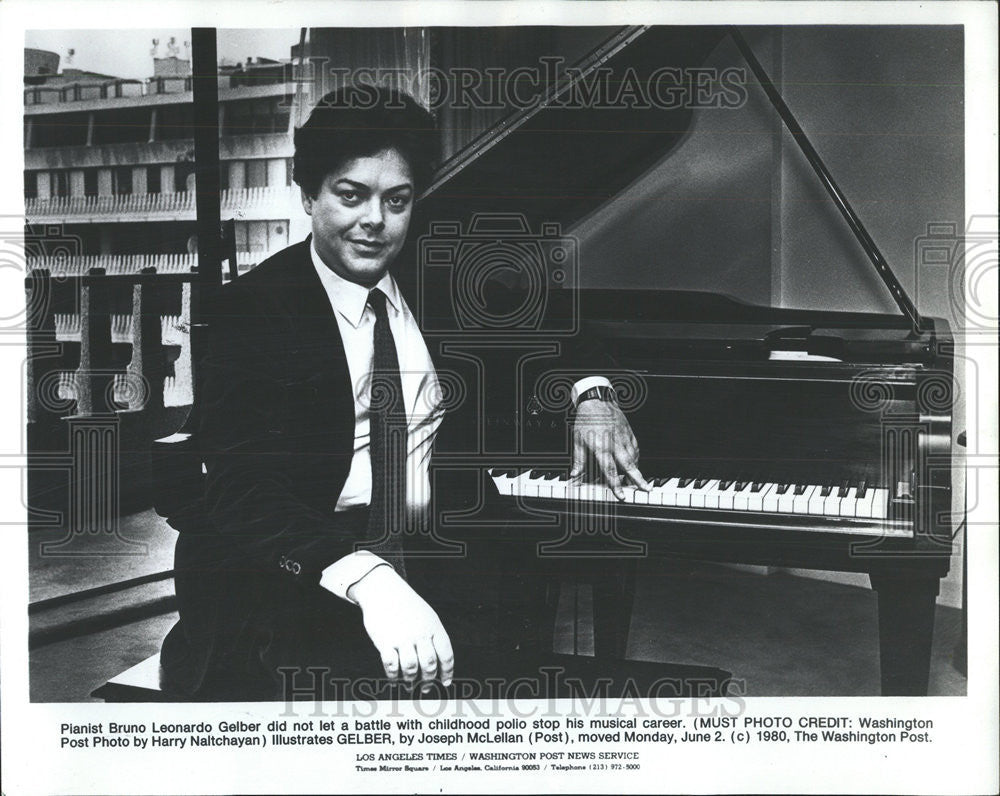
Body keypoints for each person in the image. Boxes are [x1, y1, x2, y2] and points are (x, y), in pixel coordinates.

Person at [159, 85, 649, 701]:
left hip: (441, 559)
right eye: (350, 195)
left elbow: (557, 327)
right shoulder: (248, 313)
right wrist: (369, 579)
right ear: (308, 193)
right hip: (297, 576)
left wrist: (593, 394)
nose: (375, 222)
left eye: (397, 200)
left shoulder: (437, 278)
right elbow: (244, 493)